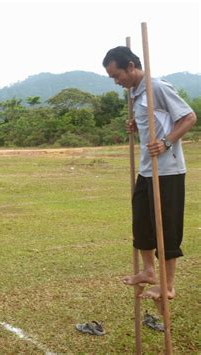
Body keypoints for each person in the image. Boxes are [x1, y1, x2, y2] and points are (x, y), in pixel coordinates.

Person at [102, 46, 197, 307]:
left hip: (168, 171)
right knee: (142, 222)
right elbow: (154, 120)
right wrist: (138, 124)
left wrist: (166, 142)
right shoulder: (135, 92)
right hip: (146, 169)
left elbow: (189, 117)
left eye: (116, 75)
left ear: (131, 66)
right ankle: (148, 270)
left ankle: (168, 285)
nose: (116, 81)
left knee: (166, 227)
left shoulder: (157, 87)